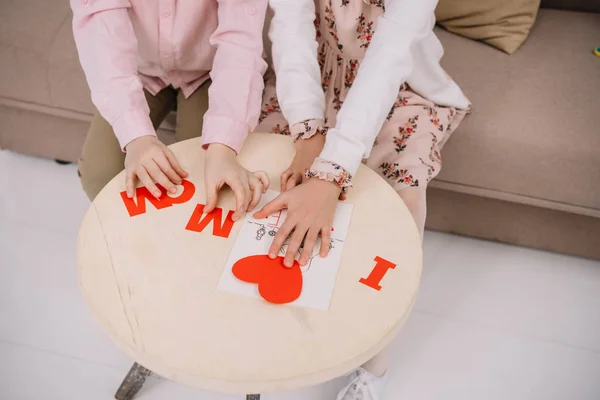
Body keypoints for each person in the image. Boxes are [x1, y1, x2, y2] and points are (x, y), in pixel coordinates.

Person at [254, 0, 471, 398]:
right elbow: (290, 27)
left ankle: (374, 365)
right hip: (312, 81)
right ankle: (272, 318)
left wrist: (330, 174)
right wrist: (307, 132)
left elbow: (388, 60)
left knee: (401, 207)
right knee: (268, 180)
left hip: (399, 85)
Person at [71, 0, 270, 218]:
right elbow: (103, 42)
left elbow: (239, 44)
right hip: (139, 71)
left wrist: (223, 148)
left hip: (210, 71)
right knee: (99, 175)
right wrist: (137, 138)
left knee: (206, 183)